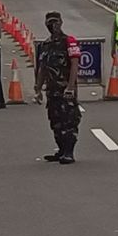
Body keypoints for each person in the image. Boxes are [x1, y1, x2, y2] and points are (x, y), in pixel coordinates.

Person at [34, 11, 82, 165]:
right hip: (52, 90)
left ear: (61, 23)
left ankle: (69, 152)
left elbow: (75, 64)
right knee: (55, 121)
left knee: (69, 120)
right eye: (49, 23)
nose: (52, 25)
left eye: (55, 22)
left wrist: (70, 86)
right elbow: (42, 67)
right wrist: (38, 88)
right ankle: (61, 150)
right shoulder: (45, 44)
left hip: (65, 90)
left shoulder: (69, 41)